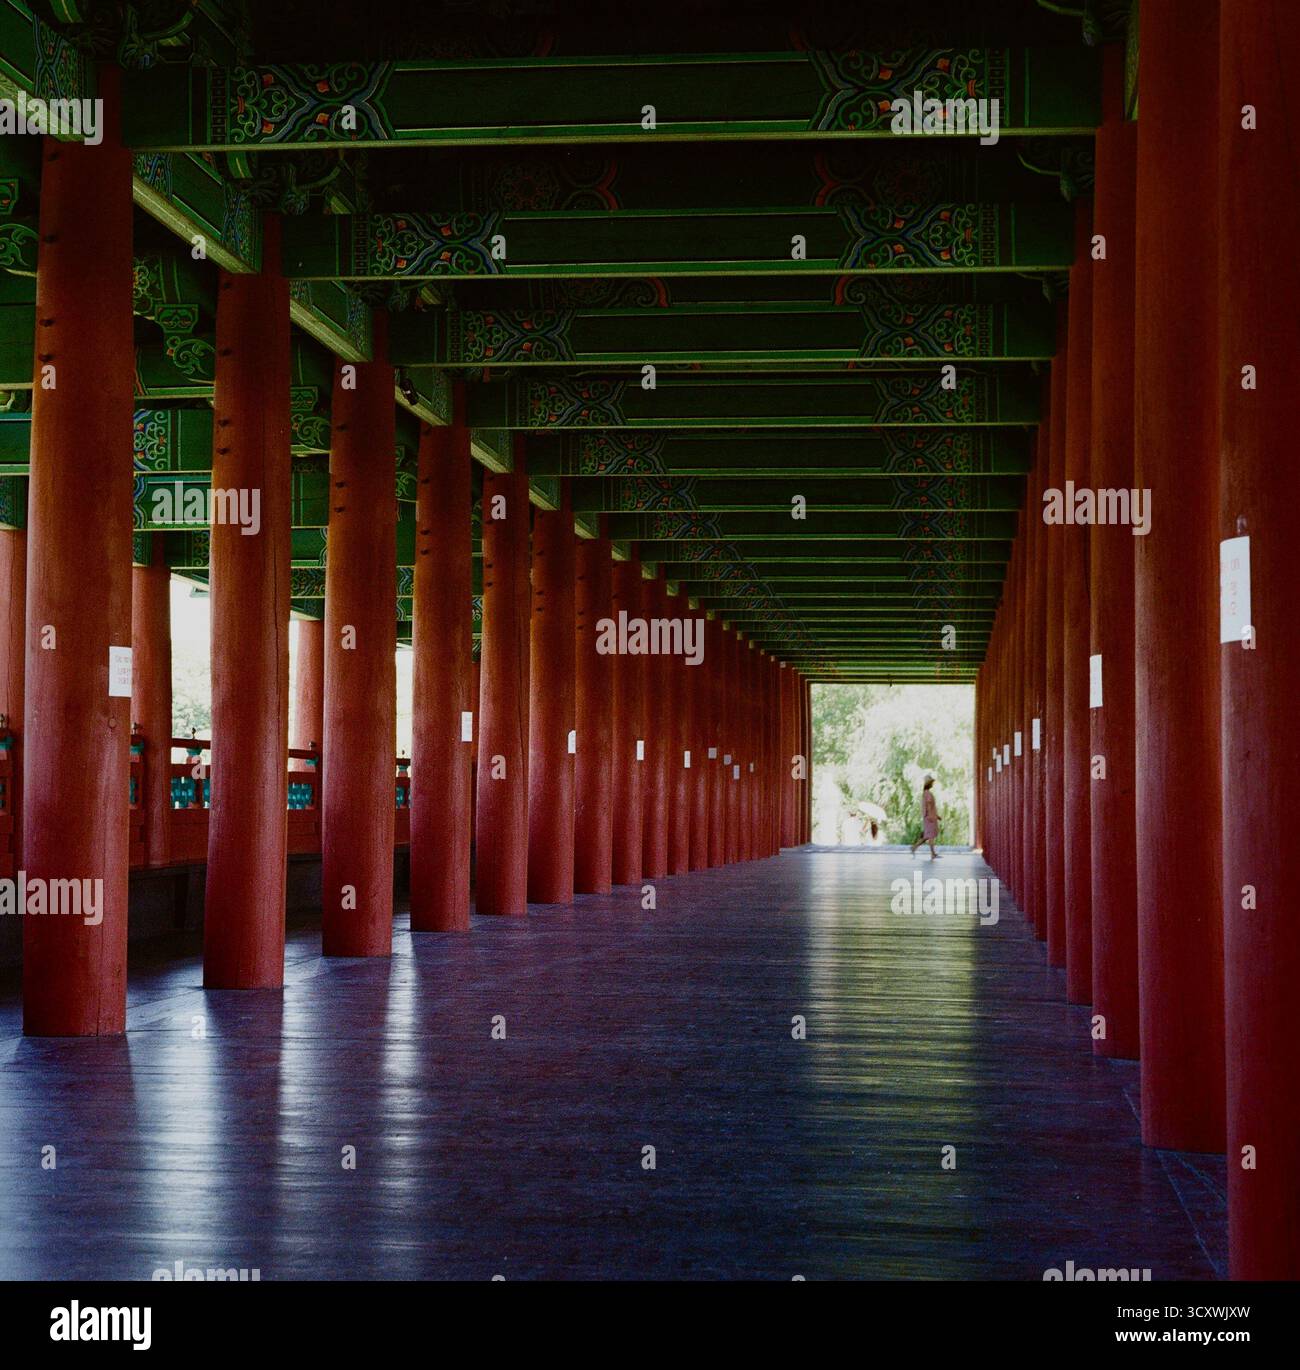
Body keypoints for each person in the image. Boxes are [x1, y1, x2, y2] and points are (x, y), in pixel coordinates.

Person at [909, 775, 941, 860]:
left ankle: (914, 848)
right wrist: (932, 816)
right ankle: (933, 854)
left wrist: (936, 816)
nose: (932, 784)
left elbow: (929, 806)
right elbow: (929, 806)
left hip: (928, 816)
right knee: (931, 836)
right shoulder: (928, 794)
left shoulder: (925, 793)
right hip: (929, 817)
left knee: (927, 836)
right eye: (931, 783)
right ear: (929, 784)